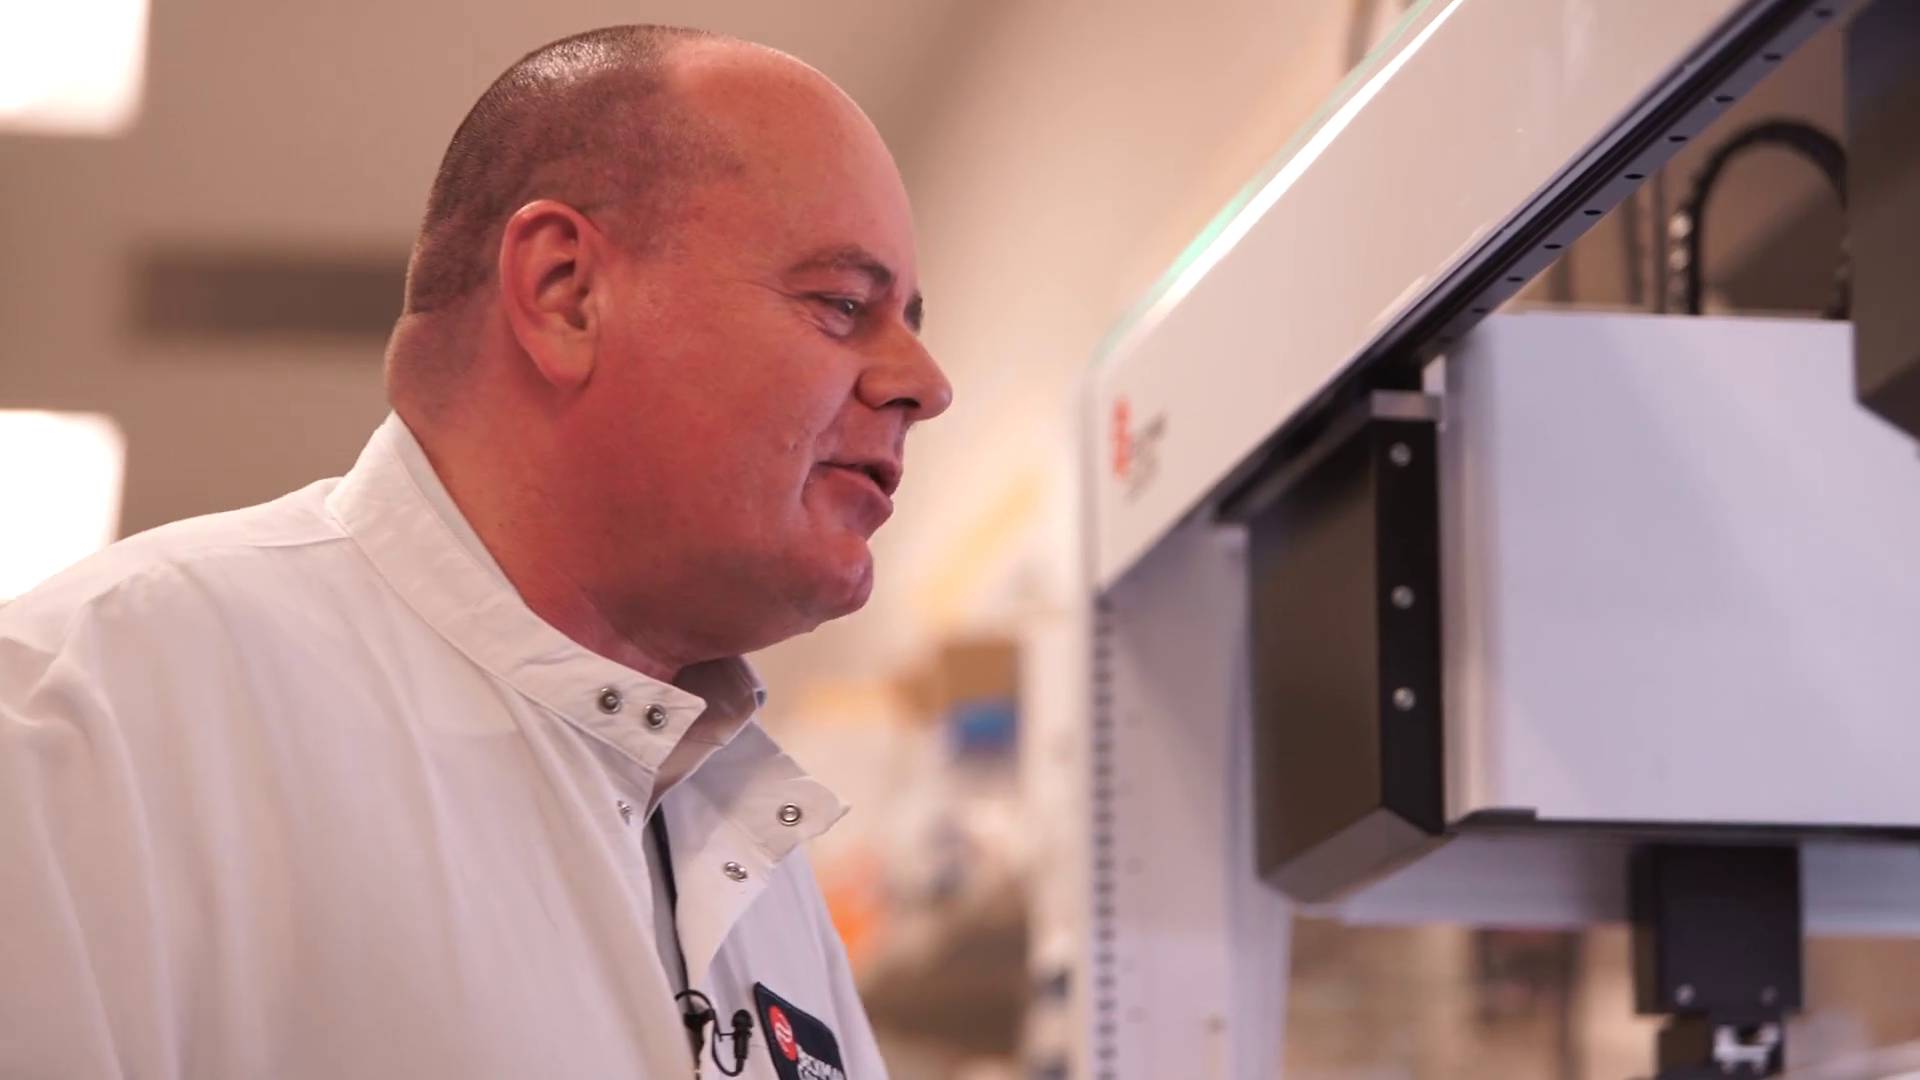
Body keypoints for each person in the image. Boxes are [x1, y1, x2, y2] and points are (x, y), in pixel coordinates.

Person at [0, 25, 950, 1079]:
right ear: (566, 291)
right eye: (842, 306)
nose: (926, 383)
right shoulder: (96, 713)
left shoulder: (751, 852)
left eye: (907, 321)